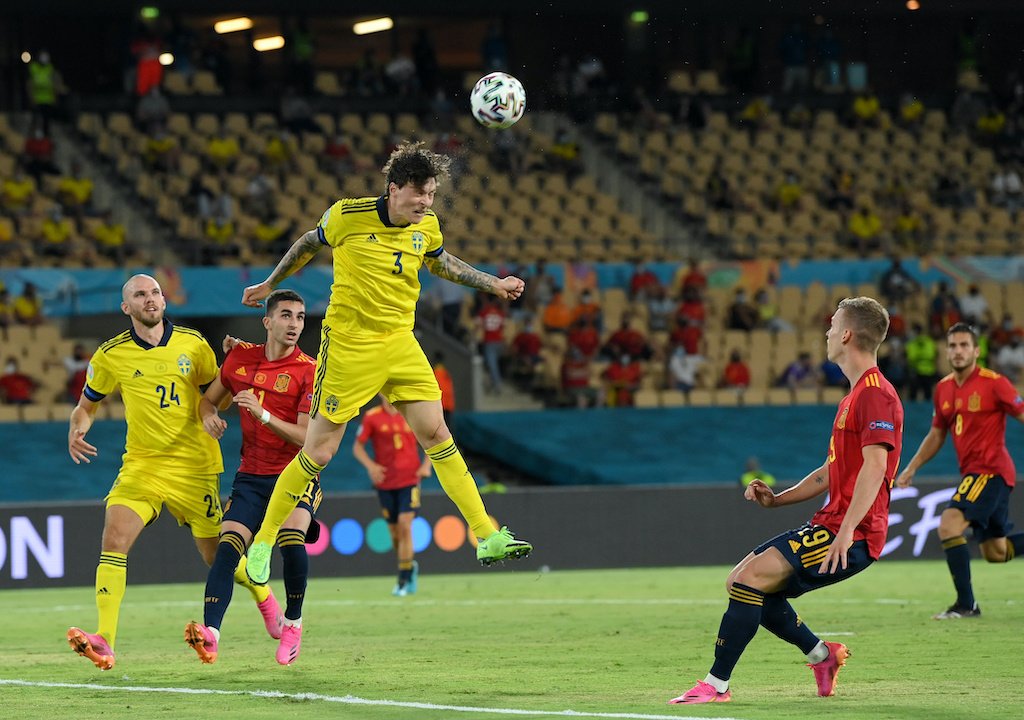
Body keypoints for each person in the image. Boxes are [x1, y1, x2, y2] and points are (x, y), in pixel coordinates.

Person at [238, 141, 532, 585]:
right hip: (350, 346)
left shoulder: (427, 225)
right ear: (394, 188)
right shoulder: (347, 216)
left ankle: (486, 533)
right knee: (319, 451)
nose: (426, 202)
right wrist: (269, 283)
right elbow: (306, 244)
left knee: (436, 432)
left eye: (432, 194)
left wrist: (493, 283)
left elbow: (442, 262)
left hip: (401, 341)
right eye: (419, 193)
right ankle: (261, 544)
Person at [670, 297, 902, 704]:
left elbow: (875, 468)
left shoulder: (875, 395)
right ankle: (821, 654)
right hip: (831, 524)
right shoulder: (853, 397)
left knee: (748, 580)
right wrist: (777, 500)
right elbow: (831, 471)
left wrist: (847, 531)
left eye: (832, 326)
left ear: (847, 335)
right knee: (745, 584)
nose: (827, 333)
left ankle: (716, 684)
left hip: (853, 532)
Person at [65, 274, 264, 670]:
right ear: (127, 308)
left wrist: (213, 410)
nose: (150, 299)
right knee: (114, 537)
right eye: (140, 295)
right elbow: (87, 404)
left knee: (217, 557)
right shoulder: (110, 354)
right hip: (142, 465)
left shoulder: (194, 344)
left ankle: (264, 597)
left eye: (155, 292)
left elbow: (215, 396)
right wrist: (77, 428)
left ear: (163, 299)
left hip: (194, 467)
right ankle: (104, 639)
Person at [185, 289, 320, 666]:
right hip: (251, 476)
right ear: (268, 321)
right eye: (286, 316)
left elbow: (307, 436)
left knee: (292, 541)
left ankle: (292, 623)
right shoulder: (240, 359)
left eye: (300, 317)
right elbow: (208, 399)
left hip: (295, 475)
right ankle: (210, 634)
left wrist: (262, 415)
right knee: (226, 550)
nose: (294, 324)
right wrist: (209, 414)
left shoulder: (309, 371)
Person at [895, 322, 1024, 619]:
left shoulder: (995, 383)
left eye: (965, 345)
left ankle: (966, 605)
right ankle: (967, 604)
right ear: (946, 350)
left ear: (977, 351)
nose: (958, 351)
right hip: (976, 474)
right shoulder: (943, 389)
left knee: (949, 525)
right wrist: (912, 467)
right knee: (996, 553)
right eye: (953, 345)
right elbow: (937, 434)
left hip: (990, 471)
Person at [354, 395, 433, 596]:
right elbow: (357, 447)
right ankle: (408, 566)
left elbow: (430, 440)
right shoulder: (372, 417)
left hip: (410, 479)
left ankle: (402, 580)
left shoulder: (410, 413)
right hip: (385, 482)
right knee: (395, 533)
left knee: (405, 525)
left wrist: (426, 465)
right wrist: (371, 466)